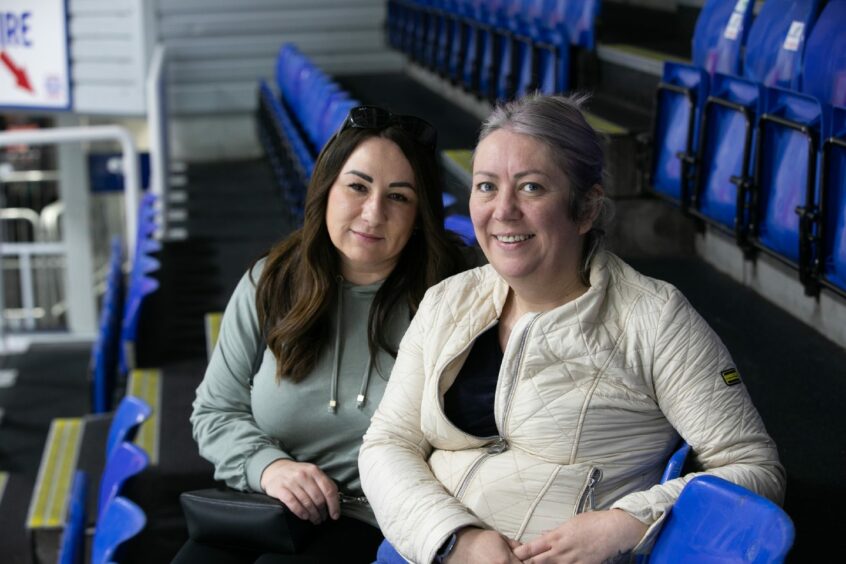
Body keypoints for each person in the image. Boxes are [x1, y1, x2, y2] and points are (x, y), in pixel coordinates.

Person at [358, 94, 785, 564]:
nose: (503, 210)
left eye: (532, 187)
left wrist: (628, 521)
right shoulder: (447, 300)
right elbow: (387, 444)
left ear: (585, 209)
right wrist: (454, 539)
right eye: (485, 186)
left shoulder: (656, 319)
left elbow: (753, 467)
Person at [175, 105, 468, 563]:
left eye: (399, 197)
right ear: (326, 187)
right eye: (357, 186)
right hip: (268, 505)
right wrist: (268, 467)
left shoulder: (451, 297)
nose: (373, 214)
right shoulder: (271, 281)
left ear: (419, 214)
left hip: (376, 521)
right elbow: (215, 410)